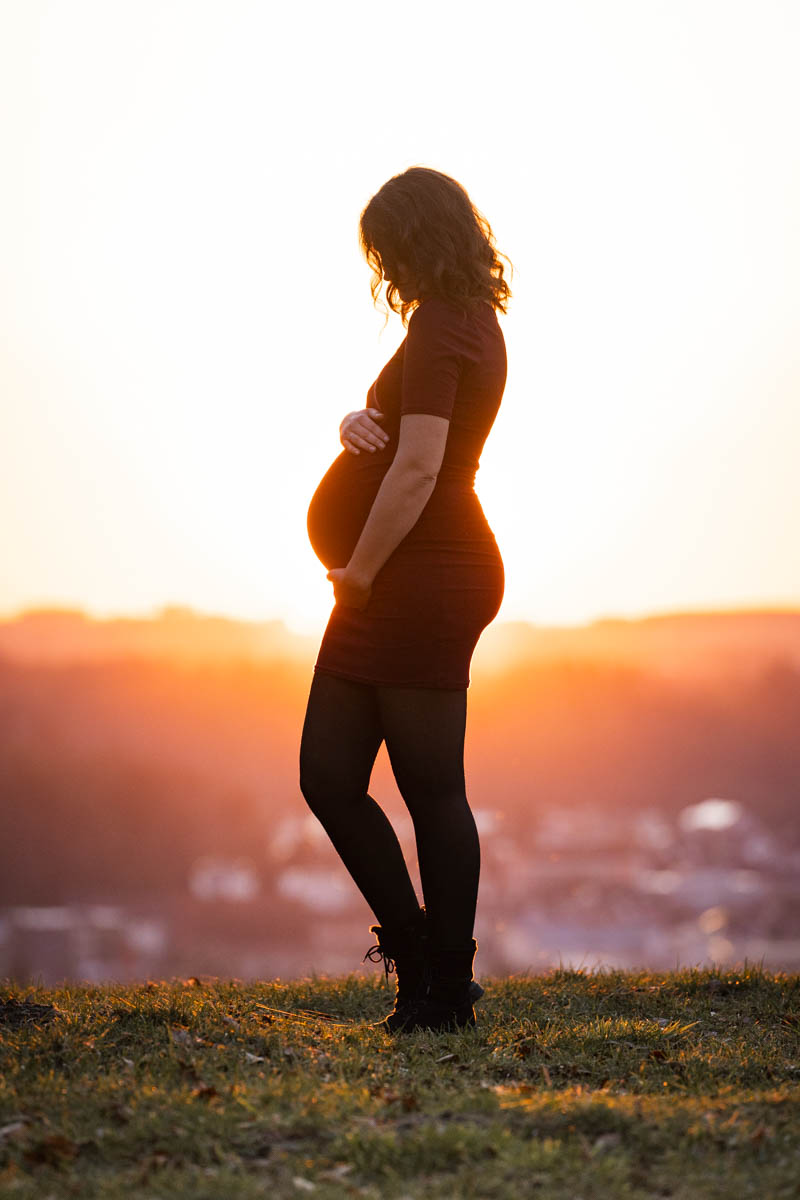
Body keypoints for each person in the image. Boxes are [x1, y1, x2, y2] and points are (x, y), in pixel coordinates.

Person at [300, 166, 512, 1034]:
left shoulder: (441, 327)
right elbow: (402, 440)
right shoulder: (465, 323)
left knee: (432, 791)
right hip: (399, 578)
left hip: (419, 579)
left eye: (385, 248)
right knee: (329, 777)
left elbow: (425, 466)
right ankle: (424, 962)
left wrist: (359, 573)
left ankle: (443, 991)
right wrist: (357, 420)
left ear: (411, 242)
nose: (382, 266)